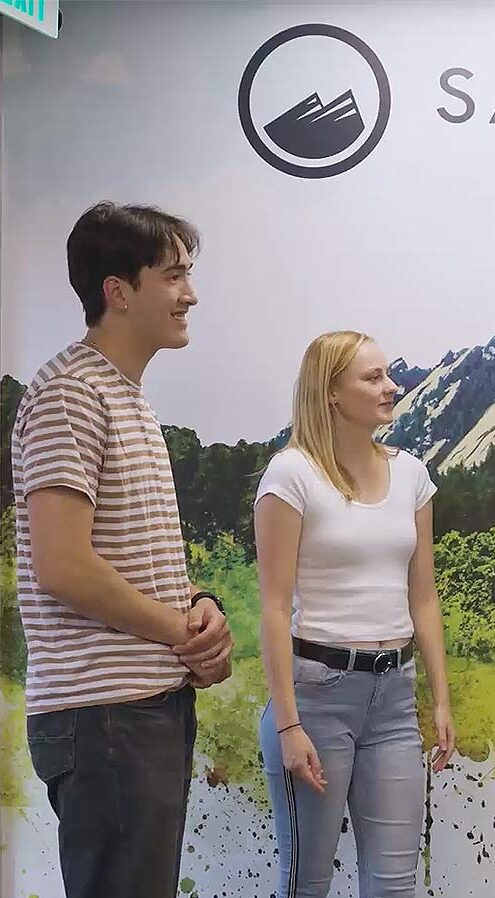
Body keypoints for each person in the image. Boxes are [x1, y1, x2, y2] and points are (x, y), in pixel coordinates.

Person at [12, 202, 233, 898]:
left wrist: (199, 608)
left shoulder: (124, 397)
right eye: (173, 275)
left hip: (137, 710)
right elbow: (64, 567)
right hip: (104, 718)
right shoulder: (70, 395)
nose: (189, 294)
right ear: (118, 290)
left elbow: (129, 555)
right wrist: (181, 634)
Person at [254, 331, 456, 898]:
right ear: (331, 394)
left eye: (387, 374)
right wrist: (290, 726)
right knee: (307, 883)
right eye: (372, 377)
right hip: (315, 697)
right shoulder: (290, 476)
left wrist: (439, 699)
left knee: (395, 886)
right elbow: (272, 607)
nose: (391, 387)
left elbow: (424, 597)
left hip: (393, 698)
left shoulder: (413, 474)